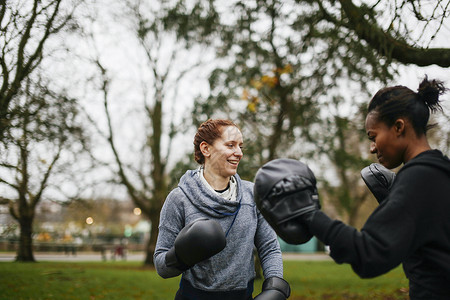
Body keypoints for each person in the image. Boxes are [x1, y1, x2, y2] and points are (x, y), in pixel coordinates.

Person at [253, 77, 450, 299]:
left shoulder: (419, 179)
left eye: (373, 137)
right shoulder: (440, 172)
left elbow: (370, 256)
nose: (372, 148)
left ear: (398, 127)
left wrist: (310, 215)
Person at [154, 119, 290, 300]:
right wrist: (181, 255)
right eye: (231, 145)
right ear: (206, 149)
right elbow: (161, 266)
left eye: (241, 146)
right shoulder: (179, 199)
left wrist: (275, 286)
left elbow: (269, 247)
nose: (239, 153)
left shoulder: (253, 195)